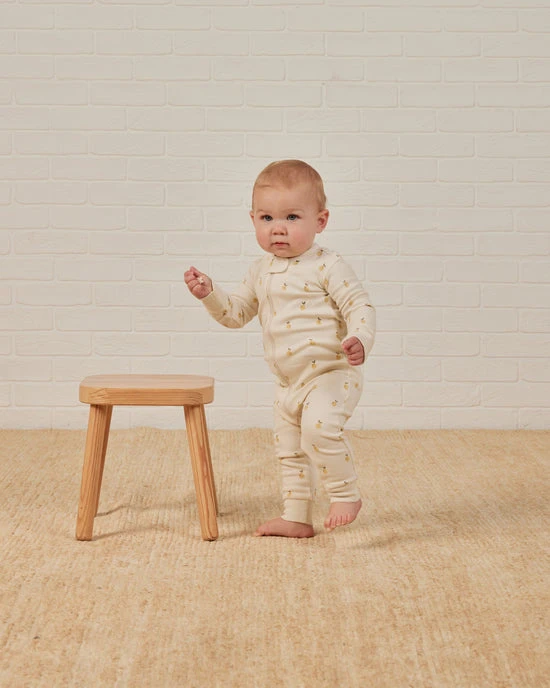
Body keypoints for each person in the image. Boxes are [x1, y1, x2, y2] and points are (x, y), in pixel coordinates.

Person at [185, 160, 376, 538]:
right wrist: (210, 294)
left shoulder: (328, 265)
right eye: (267, 218)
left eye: (291, 217)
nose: (278, 228)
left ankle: (345, 494)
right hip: (287, 383)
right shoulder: (260, 270)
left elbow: (359, 305)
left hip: (331, 374)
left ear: (320, 221)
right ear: (253, 219)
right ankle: (296, 516)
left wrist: (360, 338)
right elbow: (236, 313)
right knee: (290, 451)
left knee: (319, 431)